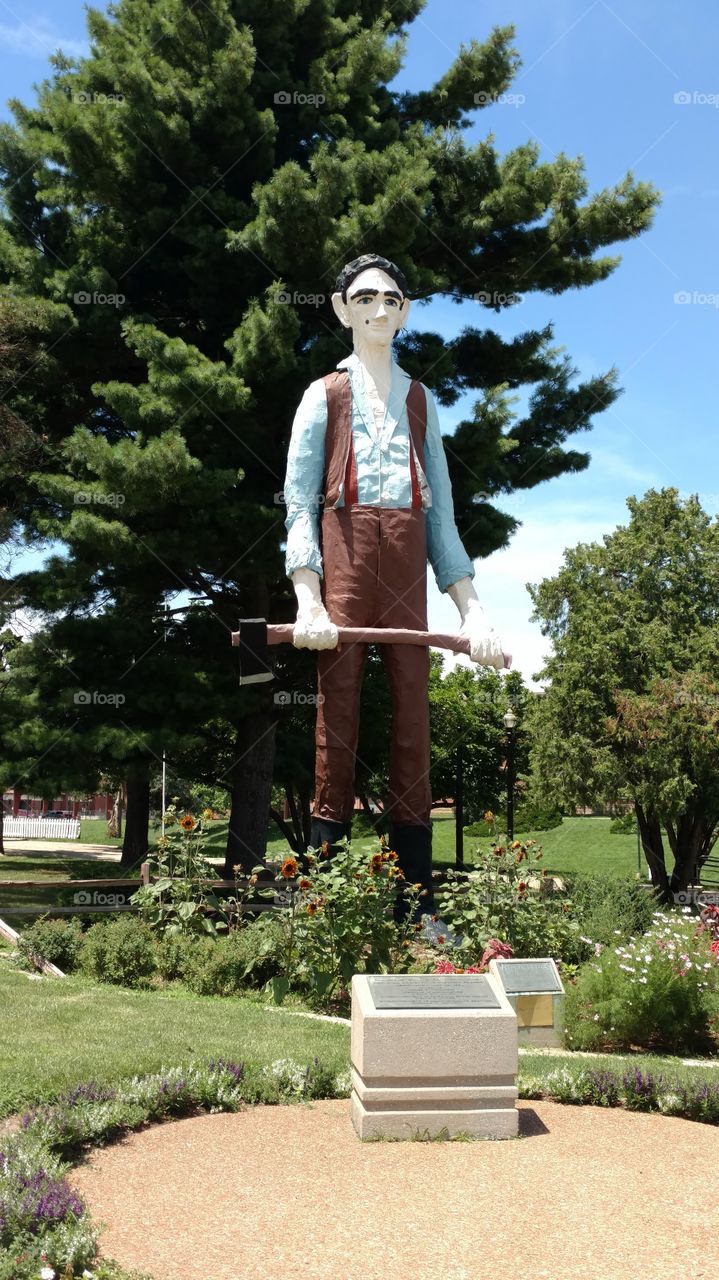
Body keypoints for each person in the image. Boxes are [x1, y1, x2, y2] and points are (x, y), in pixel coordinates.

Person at [283, 253, 505, 916]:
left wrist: (473, 611)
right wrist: (308, 598)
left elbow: (440, 517)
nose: (378, 309)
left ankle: (417, 903)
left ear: (403, 312)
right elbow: (298, 503)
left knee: (413, 717)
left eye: (389, 299)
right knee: (336, 715)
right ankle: (323, 907)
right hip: (345, 558)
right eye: (364, 298)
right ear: (341, 309)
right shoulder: (323, 394)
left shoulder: (420, 400)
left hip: (407, 564)